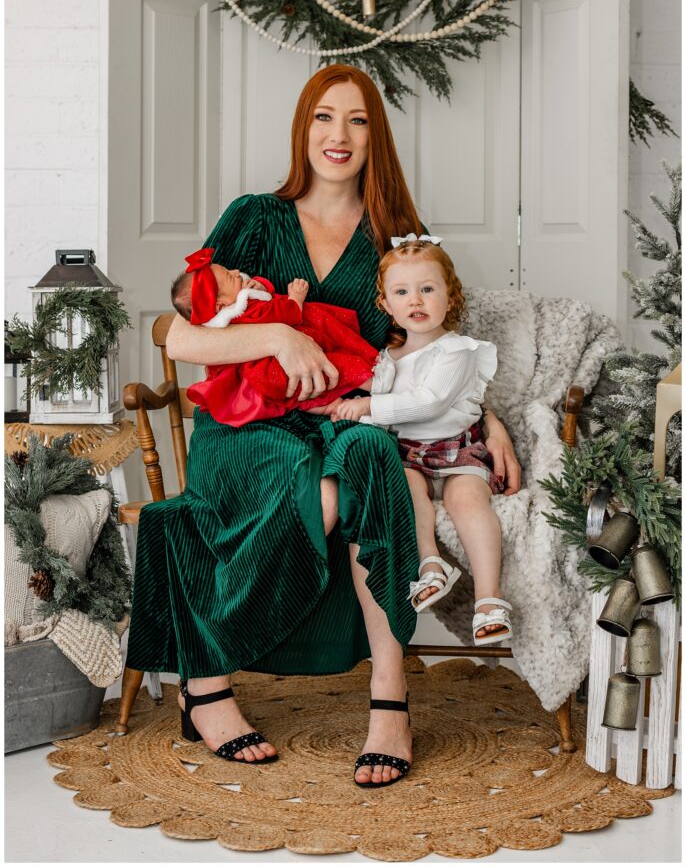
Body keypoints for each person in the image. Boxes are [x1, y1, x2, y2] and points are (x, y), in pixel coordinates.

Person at [126, 64, 521, 789]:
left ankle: (390, 702)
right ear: (302, 128)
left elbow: (418, 348)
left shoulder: (392, 240)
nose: (339, 135)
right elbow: (173, 333)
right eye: (324, 117)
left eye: (358, 120)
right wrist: (278, 339)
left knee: (372, 455)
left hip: (342, 417)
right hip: (246, 425)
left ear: (376, 138)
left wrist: (484, 418)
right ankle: (207, 683)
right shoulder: (254, 217)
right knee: (317, 494)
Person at [329, 236, 513, 644]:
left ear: (450, 297)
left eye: (427, 289)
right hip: (410, 455)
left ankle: (489, 599)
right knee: (406, 494)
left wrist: (368, 408)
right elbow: (371, 399)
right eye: (402, 292)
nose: (416, 300)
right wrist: (338, 405)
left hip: (457, 448)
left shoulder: (457, 351)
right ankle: (431, 564)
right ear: (386, 304)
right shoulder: (387, 359)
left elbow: (428, 403)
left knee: (466, 501)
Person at [170, 250, 377, 427]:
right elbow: (279, 313)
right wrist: (295, 298)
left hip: (268, 378)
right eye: (230, 276)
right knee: (332, 366)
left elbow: (264, 295)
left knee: (302, 394)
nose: (235, 272)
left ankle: (335, 407)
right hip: (274, 370)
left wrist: (258, 286)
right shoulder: (242, 310)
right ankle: (378, 384)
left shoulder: (231, 307)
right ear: (220, 306)